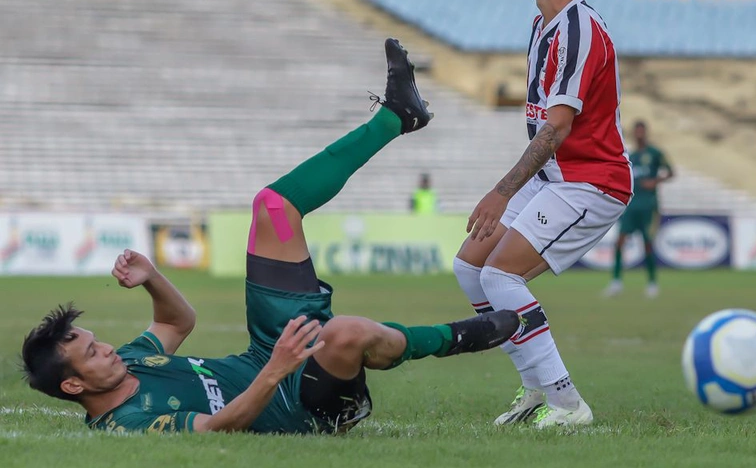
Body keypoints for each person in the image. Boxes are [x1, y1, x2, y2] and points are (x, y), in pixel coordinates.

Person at [20, 40, 519, 434]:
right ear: (72, 384)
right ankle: (463, 337)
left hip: (267, 353)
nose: (106, 349)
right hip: (302, 407)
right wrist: (278, 370)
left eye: (95, 340)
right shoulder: (127, 424)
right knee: (344, 332)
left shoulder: (128, 361)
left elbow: (178, 321)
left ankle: (397, 116)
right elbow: (218, 427)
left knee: (273, 208)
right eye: (91, 353)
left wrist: (153, 278)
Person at [453, 0, 632, 430]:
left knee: (500, 274)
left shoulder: (580, 29)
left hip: (591, 180)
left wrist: (500, 190)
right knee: (471, 267)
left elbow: (555, 128)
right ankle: (535, 389)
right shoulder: (542, 25)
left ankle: (567, 403)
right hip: (555, 175)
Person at [604, 120, 673, 298]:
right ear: (634, 134)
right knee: (619, 241)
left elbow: (671, 172)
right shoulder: (630, 156)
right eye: (637, 132)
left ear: (646, 133)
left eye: (642, 131)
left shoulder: (655, 153)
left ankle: (652, 283)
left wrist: (655, 182)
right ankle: (616, 281)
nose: (639, 134)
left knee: (648, 244)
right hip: (631, 206)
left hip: (649, 206)